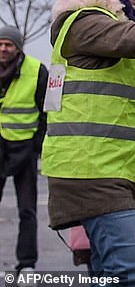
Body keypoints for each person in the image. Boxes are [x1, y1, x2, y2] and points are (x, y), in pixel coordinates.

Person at [43, 0, 135, 287]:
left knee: (114, 272)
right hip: (93, 170)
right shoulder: (85, 22)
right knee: (130, 271)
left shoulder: (104, 26)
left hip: (111, 168)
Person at [0, 25, 47, 274]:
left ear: (18, 47)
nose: (3, 49)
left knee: (27, 210)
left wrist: (37, 145)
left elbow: (47, 111)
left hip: (24, 147)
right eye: (0, 44)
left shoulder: (37, 70)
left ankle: (27, 264)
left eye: (8, 44)